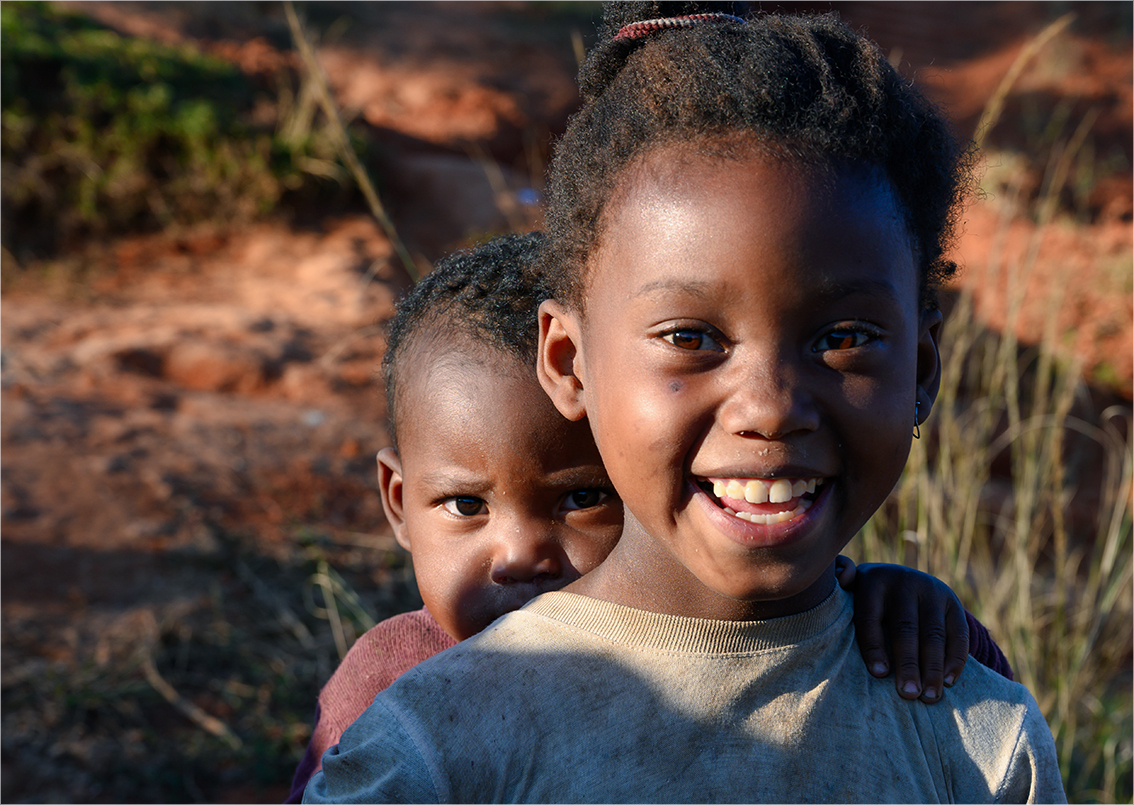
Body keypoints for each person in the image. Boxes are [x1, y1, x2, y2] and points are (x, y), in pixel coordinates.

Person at [302, 94, 1045, 795]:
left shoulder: (958, 702)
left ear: (920, 369)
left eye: (842, 338)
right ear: (570, 366)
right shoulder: (420, 724)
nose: (770, 409)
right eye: (691, 337)